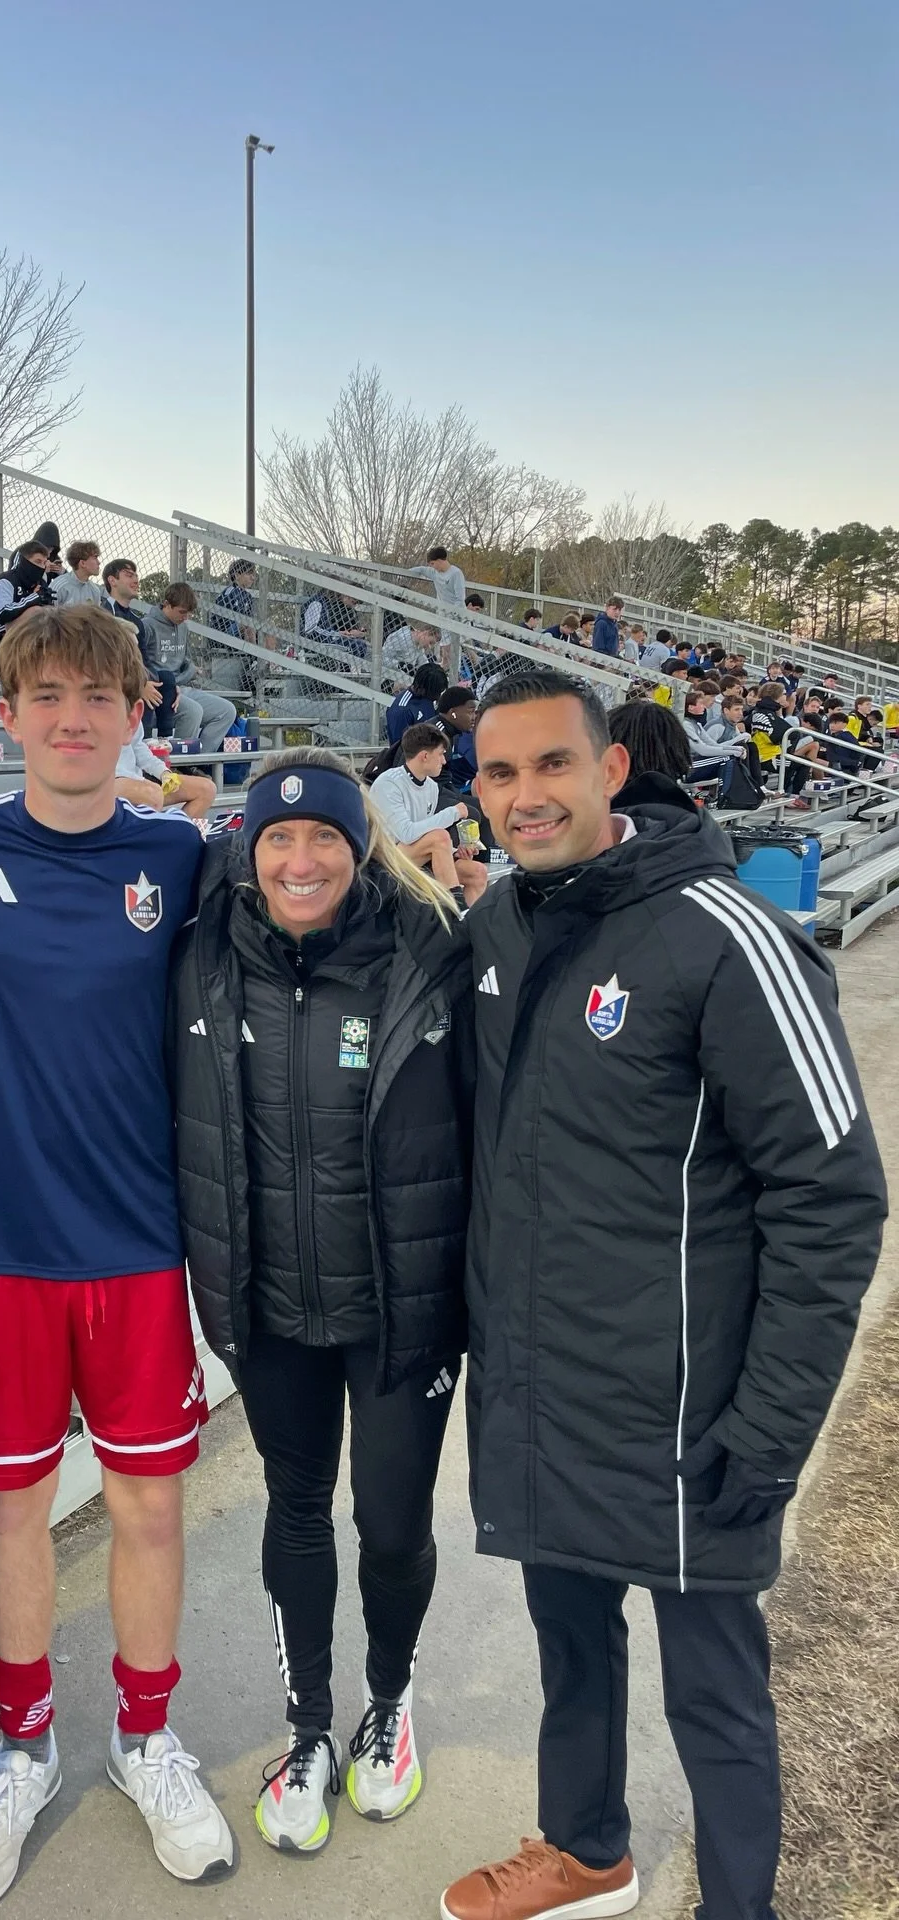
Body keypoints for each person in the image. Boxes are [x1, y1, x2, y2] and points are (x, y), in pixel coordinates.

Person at [440, 667, 886, 1920]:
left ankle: (740, 1906)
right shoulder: (502, 925)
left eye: (551, 766)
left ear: (609, 770)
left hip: (694, 1412)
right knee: (571, 1649)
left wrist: (775, 1422)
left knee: (715, 1691)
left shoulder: (726, 933)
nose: (526, 797)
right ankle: (587, 1851)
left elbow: (835, 1195)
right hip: (544, 1390)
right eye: (500, 773)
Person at [0, 605, 234, 1905]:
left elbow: (327, 896)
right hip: (0, 1252)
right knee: (18, 1507)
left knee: (151, 1503)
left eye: (99, 694)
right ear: (8, 711)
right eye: (47, 693)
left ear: (137, 709)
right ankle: (23, 1745)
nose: (73, 716)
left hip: (143, 1248)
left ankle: (145, 1739)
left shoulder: (182, 851)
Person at [170, 748, 471, 1851]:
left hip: (404, 1308)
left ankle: (387, 1706)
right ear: (249, 850)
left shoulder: (434, 950)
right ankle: (307, 1725)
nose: (302, 861)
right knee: (295, 1513)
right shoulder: (203, 953)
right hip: (271, 1304)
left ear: (361, 847)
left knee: (391, 1525)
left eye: (326, 840)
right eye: (279, 840)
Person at [368, 723, 485, 903]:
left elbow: (425, 834)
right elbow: (407, 834)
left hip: (416, 857)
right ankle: (457, 907)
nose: (444, 761)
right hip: (385, 861)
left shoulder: (431, 787)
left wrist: (453, 852)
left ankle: (470, 926)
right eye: (440, 754)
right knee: (440, 837)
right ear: (424, 756)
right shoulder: (388, 784)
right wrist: (452, 813)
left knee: (477, 873)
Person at [144, 583, 238, 753]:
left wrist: (191, 671)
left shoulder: (183, 627)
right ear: (167, 604)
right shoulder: (147, 626)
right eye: (181, 612)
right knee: (193, 711)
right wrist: (185, 675)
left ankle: (199, 762)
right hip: (161, 690)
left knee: (227, 711)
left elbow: (185, 661)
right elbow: (141, 665)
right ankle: (177, 766)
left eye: (189, 613)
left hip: (182, 687)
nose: (185, 617)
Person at [104, 557, 176, 738]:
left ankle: (164, 743)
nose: (135, 580)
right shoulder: (103, 616)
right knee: (144, 692)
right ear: (112, 580)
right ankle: (142, 742)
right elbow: (107, 662)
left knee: (166, 679)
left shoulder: (137, 621)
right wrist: (139, 685)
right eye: (128, 575)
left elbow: (146, 659)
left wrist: (148, 681)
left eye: (136, 575)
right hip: (114, 682)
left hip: (137, 679)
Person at [115, 719, 216, 822]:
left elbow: (138, 747)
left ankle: (179, 835)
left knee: (206, 789)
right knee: (152, 795)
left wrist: (163, 772)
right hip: (109, 782)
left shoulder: (130, 709)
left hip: (136, 778)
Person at [0, 539, 55, 671]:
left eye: (44, 563)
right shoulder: (7, 580)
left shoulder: (40, 584)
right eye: (37, 562)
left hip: (24, 635)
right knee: (36, 611)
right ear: (24, 561)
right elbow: (2, 614)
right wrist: (33, 598)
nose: (41, 567)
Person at [386, 659, 450, 745]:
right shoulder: (402, 710)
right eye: (436, 692)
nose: (438, 697)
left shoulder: (428, 698)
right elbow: (400, 748)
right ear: (422, 688)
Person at [434, 685, 478, 789]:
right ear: (453, 713)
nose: (474, 718)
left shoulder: (452, 732)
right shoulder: (436, 736)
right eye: (470, 712)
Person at [50, 540, 103, 607]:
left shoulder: (95, 591)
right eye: (95, 557)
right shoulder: (59, 586)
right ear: (82, 563)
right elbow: (47, 614)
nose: (99, 562)